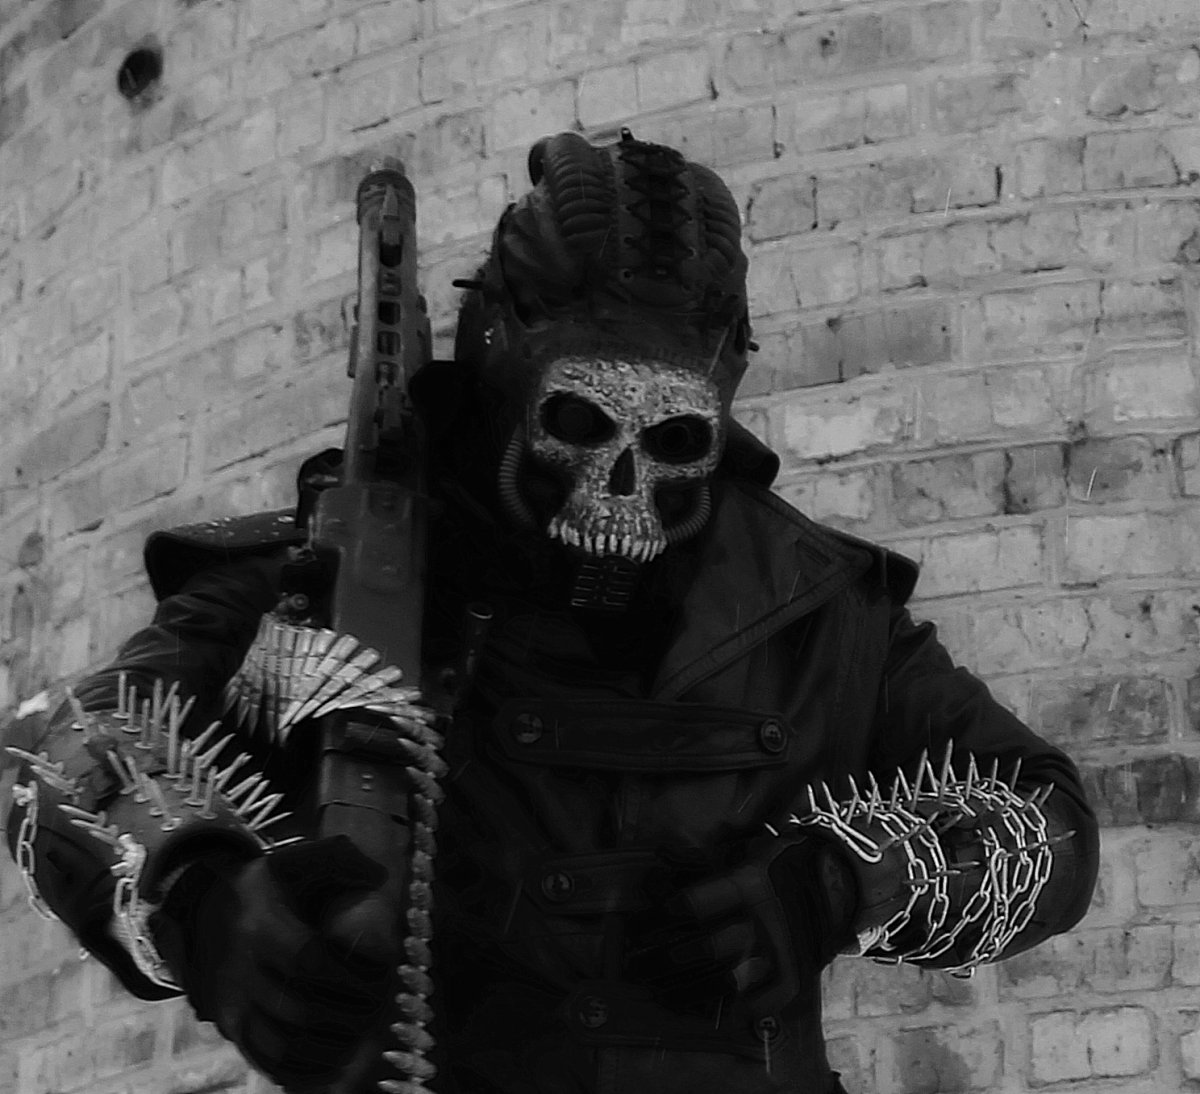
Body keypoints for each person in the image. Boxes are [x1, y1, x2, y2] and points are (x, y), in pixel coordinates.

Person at [4, 130, 1098, 1094]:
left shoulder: (813, 609)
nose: (620, 488)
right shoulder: (335, 571)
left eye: (672, 438)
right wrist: (198, 895)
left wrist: (847, 878)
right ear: (504, 379)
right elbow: (56, 746)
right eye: (578, 420)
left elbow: (1049, 827)